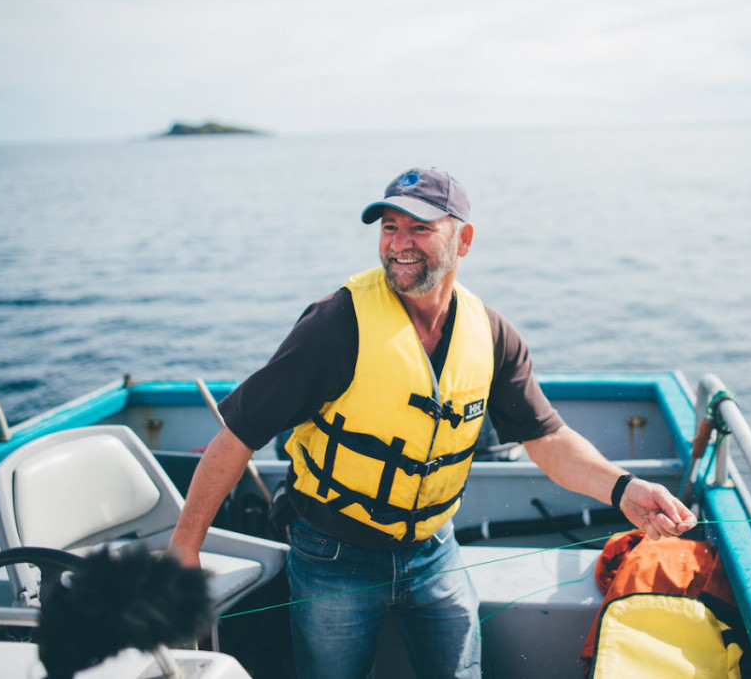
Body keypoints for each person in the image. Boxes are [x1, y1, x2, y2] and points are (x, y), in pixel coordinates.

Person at [168, 167, 695, 679]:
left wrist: (623, 489)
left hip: (434, 549)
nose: (400, 242)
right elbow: (237, 435)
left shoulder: (491, 334)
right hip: (333, 557)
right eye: (389, 226)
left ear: (463, 240)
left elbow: (547, 439)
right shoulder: (336, 324)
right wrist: (185, 548)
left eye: (421, 227)